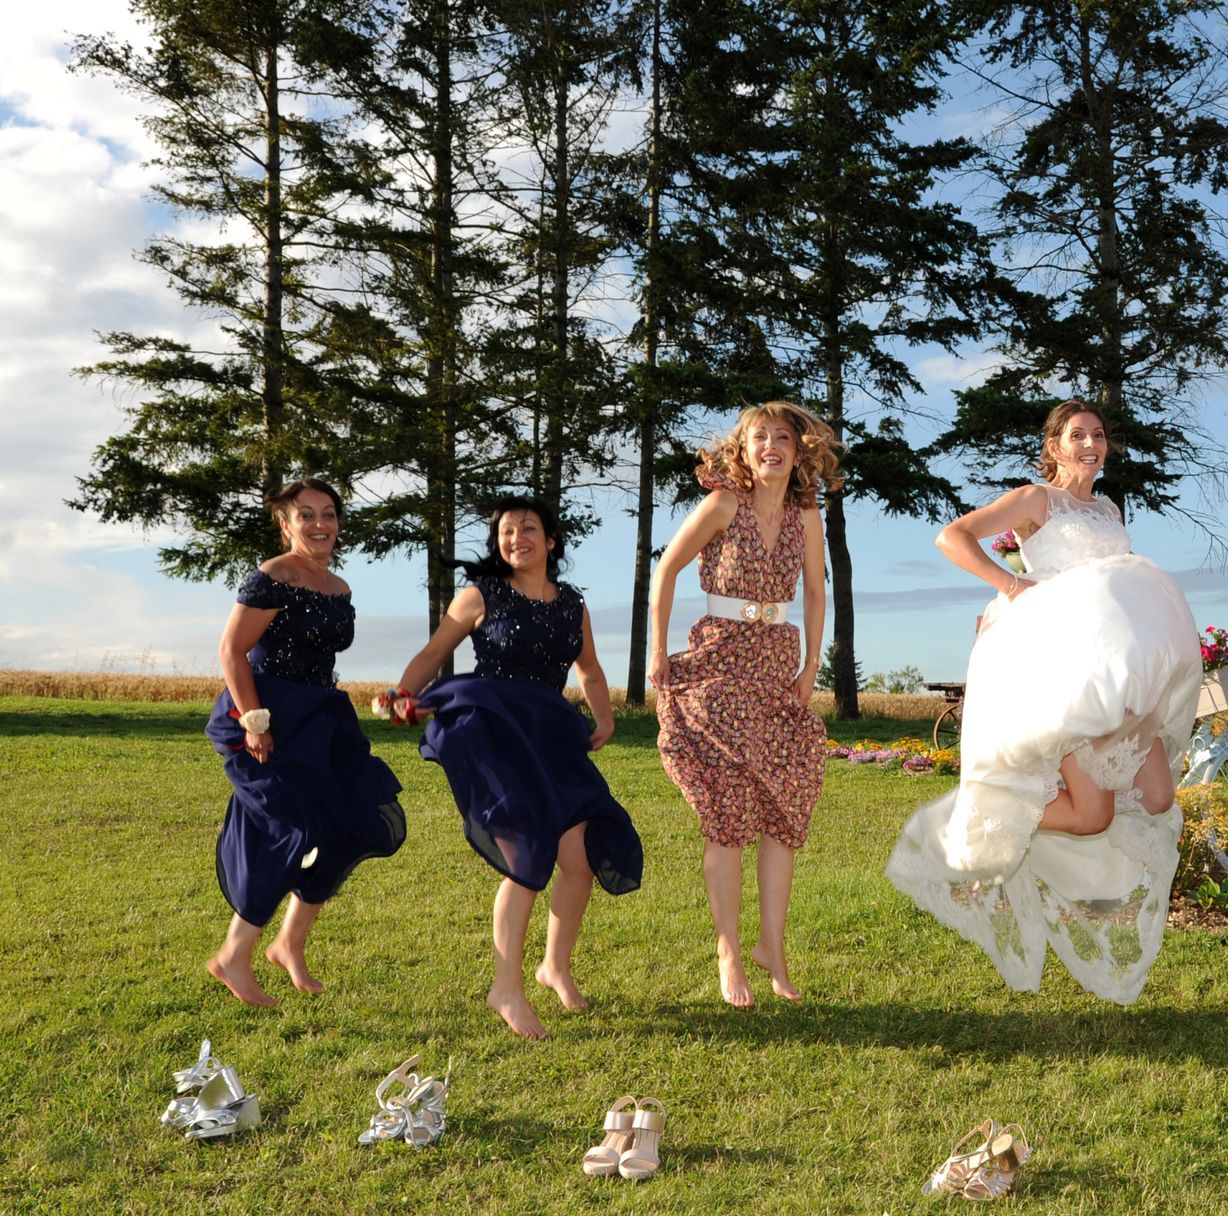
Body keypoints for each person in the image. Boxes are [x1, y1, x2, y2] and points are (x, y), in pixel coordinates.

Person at [886, 401, 1200, 1005]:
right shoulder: (1036, 499)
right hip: (1066, 662)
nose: (1090, 444)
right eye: (1076, 435)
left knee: (1157, 798)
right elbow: (952, 536)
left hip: (1115, 668)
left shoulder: (1108, 508)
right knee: (1093, 816)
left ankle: (1025, 822)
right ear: (1054, 446)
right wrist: (1009, 584)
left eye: (1099, 435)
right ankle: (976, 824)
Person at [391, 495, 643, 1038]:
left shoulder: (572, 603)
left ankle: (554, 966)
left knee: (578, 857)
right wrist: (403, 691)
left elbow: (590, 669)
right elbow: (435, 652)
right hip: (494, 728)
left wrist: (604, 720)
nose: (515, 538)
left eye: (528, 528)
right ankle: (505, 986)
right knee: (528, 847)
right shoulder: (482, 595)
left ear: (551, 542)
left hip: (550, 733)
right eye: (506, 531)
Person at [649, 401, 832, 1008]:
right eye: (761, 437)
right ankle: (729, 948)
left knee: (786, 803)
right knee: (727, 813)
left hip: (778, 666)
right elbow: (667, 571)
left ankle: (771, 948)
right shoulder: (723, 503)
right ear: (744, 449)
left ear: (799, 451)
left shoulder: (808, 515)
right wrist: (656, 651)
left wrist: (811, 663)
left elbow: (813, 589)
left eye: (784, 437)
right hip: (719, 664)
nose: (772, 445)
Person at [205, 479, 405, 1006]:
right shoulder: (276, 575)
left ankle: (288, 943)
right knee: (293, 829)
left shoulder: (338, 587)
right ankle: (233, 956)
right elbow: (232, 650)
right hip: (270, 716)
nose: (320, 525)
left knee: (354, 819)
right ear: (285, 523)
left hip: (322, 720)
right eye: (307, 515)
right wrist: (254, 720)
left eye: (329, 514)